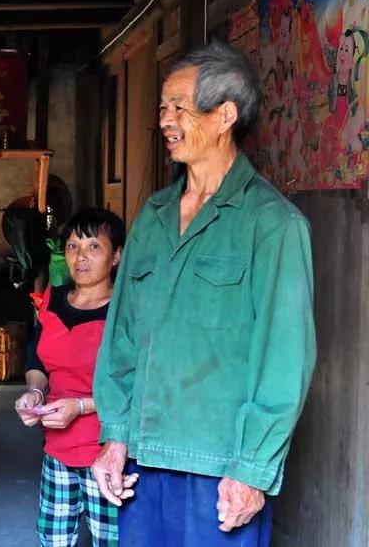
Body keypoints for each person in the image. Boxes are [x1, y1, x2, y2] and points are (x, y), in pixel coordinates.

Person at [91, 40, 316, 546]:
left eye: (180, 107)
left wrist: (252, 469)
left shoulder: (273, 225)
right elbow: (121, 338)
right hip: (142, 460)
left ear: (224, 116)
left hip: (221, 469)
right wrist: (115, 434)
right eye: (163, 108)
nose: (166, 121)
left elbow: (285, 360)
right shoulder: (153, 217)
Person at [15, 208, 131, 547]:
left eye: (94, 246)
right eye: (72, 246)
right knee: (53, 539)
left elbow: (140, 385)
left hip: (109, 452)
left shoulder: (126, 311)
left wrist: (80, 406)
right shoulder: (52, 300)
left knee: (111, 541)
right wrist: (35, 393)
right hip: (57, 450)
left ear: (116, 255)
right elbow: (37, 357)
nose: (80, 257)